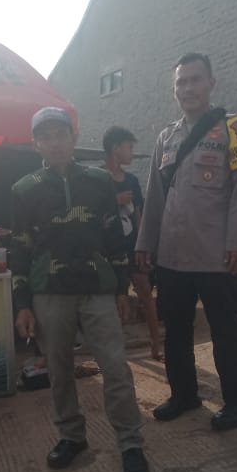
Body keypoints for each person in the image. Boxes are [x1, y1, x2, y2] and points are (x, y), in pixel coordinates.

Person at [11, 106, 148, 472]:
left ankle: (130, 442)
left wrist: (122, 288)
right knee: (59, 371)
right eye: (46, 137)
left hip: (97, 289)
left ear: (73, 139)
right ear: (36, 144)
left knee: (116, 367)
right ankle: (71, 436)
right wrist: (22, 304)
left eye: (61, 134)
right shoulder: (24, 190)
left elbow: (114, 236)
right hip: (49, 292)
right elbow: (20, 249)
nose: (55, 143)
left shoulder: (99, 181)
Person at [135, 53, 237, 431]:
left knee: (226, 331)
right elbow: (155, 196)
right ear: (174, 89)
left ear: (211, 84)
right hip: (172, 256)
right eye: (181, 82)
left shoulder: (235, 129)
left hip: (215, 254)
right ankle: (184, 394)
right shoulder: (167, 137)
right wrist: (145, 244)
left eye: (195, 80)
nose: (187, 88)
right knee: (176, 330)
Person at [102, 125, 162, 360]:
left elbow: (139, 216)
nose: (132, 152)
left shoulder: (132, 181)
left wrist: (143, 246)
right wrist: (114, 200)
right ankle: (116, 352)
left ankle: (156, 344)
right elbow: (90, 214)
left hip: (132, 247)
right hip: (108, 250)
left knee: (145, 293)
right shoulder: (96, 179)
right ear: (115, 148)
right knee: (114, 300)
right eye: (129, 147)